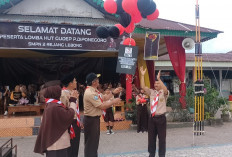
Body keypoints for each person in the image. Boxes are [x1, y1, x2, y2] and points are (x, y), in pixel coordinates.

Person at [34, 80, 76, 157]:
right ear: (55, 92)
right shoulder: (54, 106)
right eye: (59, 90)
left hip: (54, 142)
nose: (60, 92)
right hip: (57, 143)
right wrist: (73, 101)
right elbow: (69, 115)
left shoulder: (51, 104)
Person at [83, 73, 121, 157]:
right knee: (91, 143)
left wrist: (113, 93)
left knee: (94, 142)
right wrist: (113, 101)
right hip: (91, 120)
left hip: (94, 120)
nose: (99, 81)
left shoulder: (94, 90)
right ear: (94, 82)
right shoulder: (90, 93)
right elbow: (102, 105)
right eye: (97, 80)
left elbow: (103, 98)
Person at [140, 66, 169, 157]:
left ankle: (161, 155)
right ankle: (151, 154)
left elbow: (165, 89)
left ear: (161, 84)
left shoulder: (164, 93)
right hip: (152, 118)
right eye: (155, 84)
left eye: (158, 84)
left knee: (162, 139)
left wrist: (159, 78)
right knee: (151, 138)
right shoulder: (152, 92)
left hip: (161, 119)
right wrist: (142, 75)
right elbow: (143, 87)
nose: (156, 85)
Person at [61, 74, 82, 157]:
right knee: (70, 147)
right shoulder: (63, 94)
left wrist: (79, 120)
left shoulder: (73, 93)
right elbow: (64, 111)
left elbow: (76, 109)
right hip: (69, 124)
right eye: (74, 81)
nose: (76, 82)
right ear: (70, 83)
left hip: (75, 122)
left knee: (75, 145)